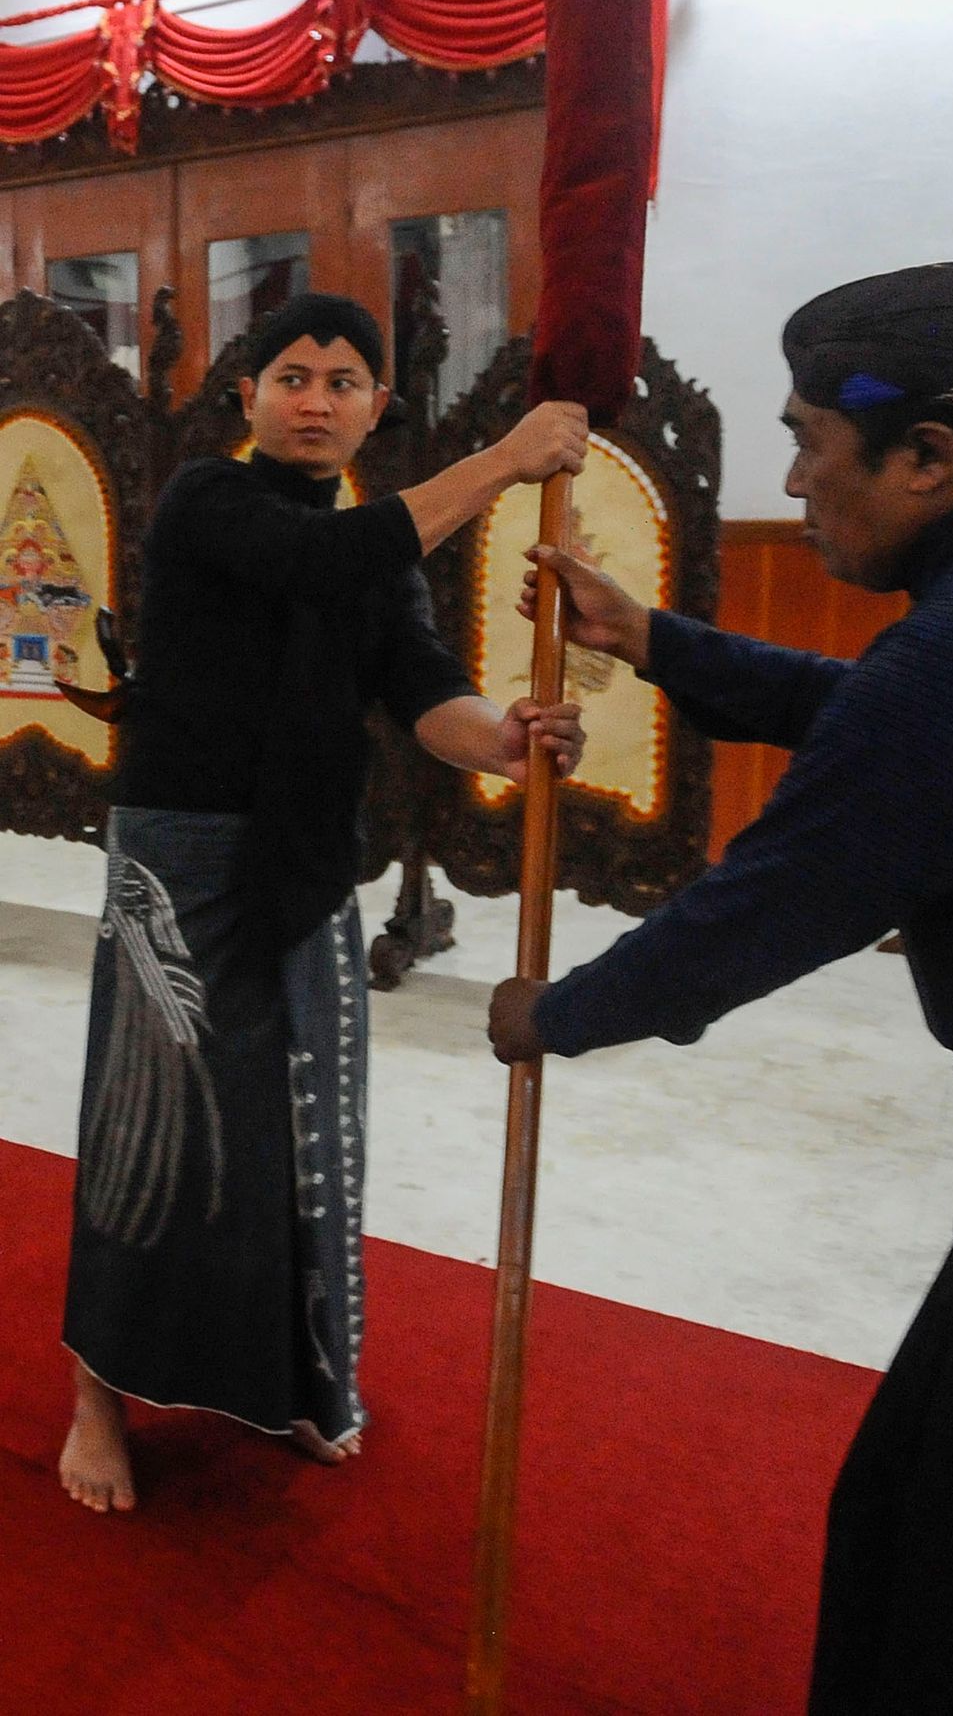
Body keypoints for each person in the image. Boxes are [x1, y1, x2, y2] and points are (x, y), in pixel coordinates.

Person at [489, 260, 953, 1715]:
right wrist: (661, 638)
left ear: (928, 456)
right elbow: (893, 723)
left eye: (813, 438)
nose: (798, 477)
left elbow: (762, 911)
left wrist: (546, 1013)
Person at [60, 293, 588, 1514]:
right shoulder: (213, 501)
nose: (315, 399)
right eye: (292, 375)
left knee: (301, 1132)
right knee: (160, 1127)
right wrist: (507, 459)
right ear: (248, 395)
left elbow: (421, 690)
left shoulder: (375, 545)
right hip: (181, 866)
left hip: (304, 862)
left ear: (374, 408)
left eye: (344, 382)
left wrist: (505, 742)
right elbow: (319, 561)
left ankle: (289, 1380)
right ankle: (100, 1394)